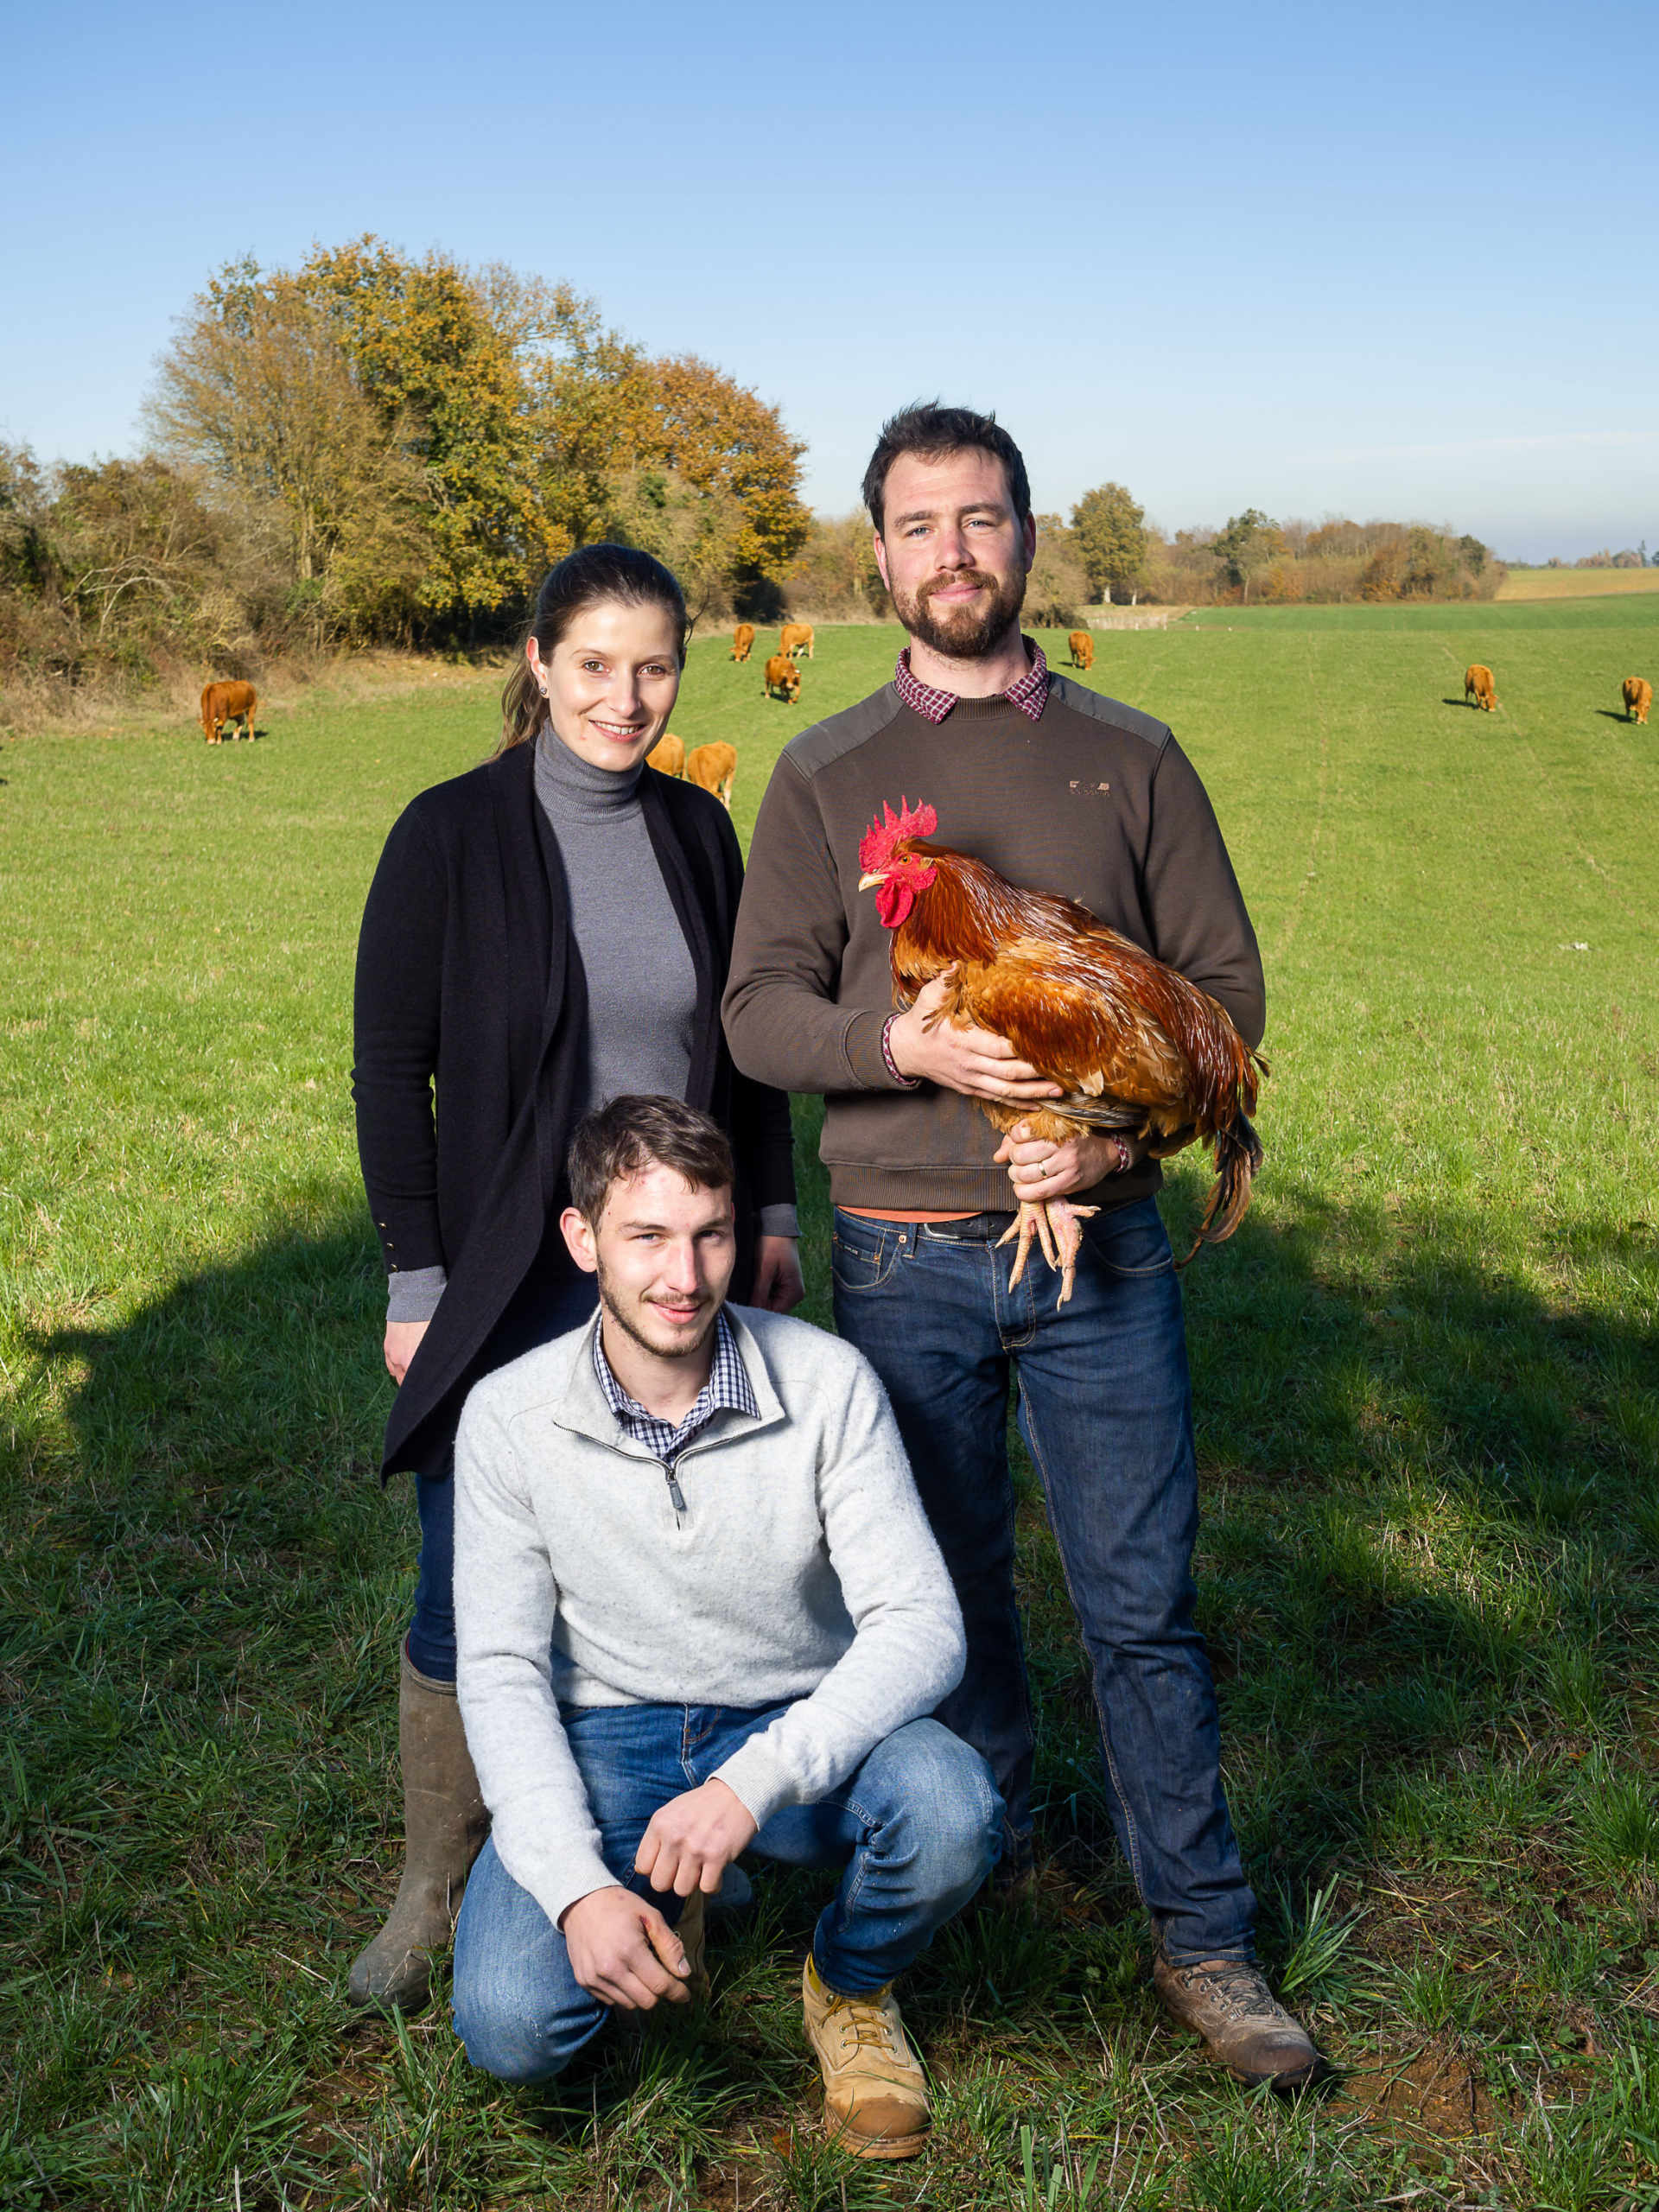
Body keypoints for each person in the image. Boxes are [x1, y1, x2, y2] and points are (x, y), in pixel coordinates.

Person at [721, 404, 1319, 2089]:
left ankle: (1205, 1938)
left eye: (982, 519)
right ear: (881, 554)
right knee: (945, 1595)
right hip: (904, 1255)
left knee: (1143, 1602)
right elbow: (759, 1007)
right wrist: (899, 1046)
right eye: (921, 524)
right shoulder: (823, 769)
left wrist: (1109, 1134)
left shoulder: (1132, 755)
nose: (955, 551)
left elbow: (1227, 996)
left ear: (1029, 537)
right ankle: (975, 1895)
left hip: (1107, 1257)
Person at [348, 546, 803, 2012]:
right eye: (596, 664)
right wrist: (420, 1274)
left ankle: (671, 1865)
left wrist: (775, 1202)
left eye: (655, 667)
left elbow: (742, 1043)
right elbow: (387, 1068)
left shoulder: (693, 832)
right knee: (466, 1574)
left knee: (676, 1560)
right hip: (506, 1270)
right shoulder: (449, 835)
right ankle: (439, 1880)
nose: (629, 696)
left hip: (668, 1262)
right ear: (539, 662)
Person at [449, 1096, 1000, 2158]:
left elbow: (924, 1624)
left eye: (710, 1233)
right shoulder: (508, 1417)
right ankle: (655, 1890)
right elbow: (504, 1671)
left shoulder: (827, 1379)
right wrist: (574, 1894)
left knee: (952, 1807)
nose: (685, 1276)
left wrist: (749, 1784)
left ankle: (847, 1981)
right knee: (515, 2025)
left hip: (790, 1711)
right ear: (582, 1240)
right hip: (607, 1731)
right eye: (646, 1237)